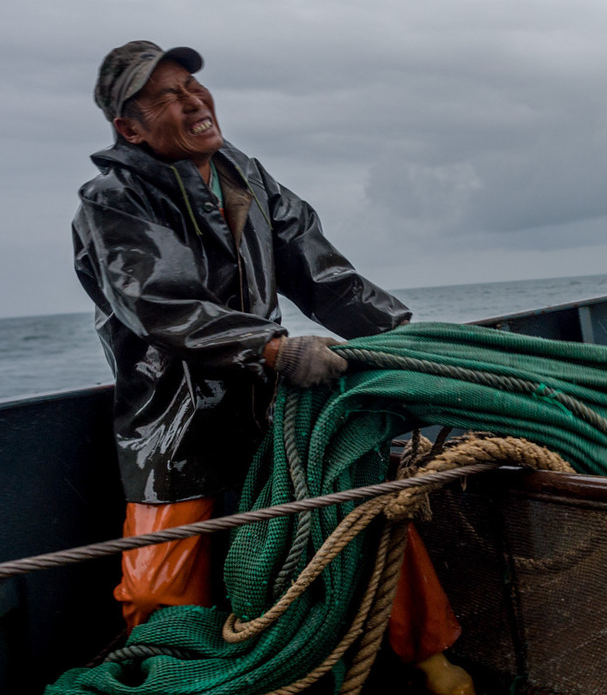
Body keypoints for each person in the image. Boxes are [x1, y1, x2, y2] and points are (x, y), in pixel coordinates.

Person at [74, 40, 473, 694]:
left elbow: (326, 276)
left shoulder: (246, 177)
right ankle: (162, 676)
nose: (192, 101)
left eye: (192, 87)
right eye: (166, 97)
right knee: (155, 588)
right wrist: (274, 349)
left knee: (362, 516)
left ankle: (434, 664)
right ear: (129, 128)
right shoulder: (110, 202)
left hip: (268, 407)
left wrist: (410, 343)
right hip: (170, 425)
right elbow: (160, 302)